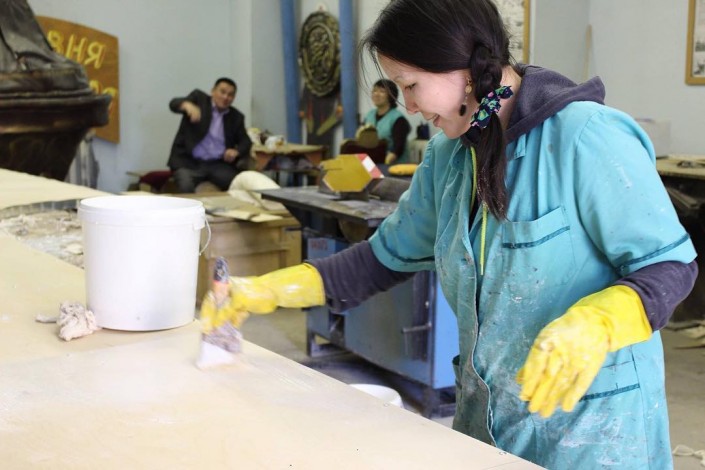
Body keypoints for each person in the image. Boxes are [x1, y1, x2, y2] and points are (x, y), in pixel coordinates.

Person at [198, 0, 698, 467]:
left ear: (464, 68)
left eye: (411, 85)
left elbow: (671, 266)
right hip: (488, 422)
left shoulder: (584, 136)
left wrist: (598, 322)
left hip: (594, 432)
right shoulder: (449, 157)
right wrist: (266, 291)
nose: (409, 106)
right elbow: (381, 259)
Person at [168, 77, 252, 193]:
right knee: (186, 187)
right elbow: (173, 104)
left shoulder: (236, 117)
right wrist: (187, 105)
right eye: (222, 92)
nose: (225, 97)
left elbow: (246, 141)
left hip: (217, 164)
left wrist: (236, 151)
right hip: (189, 163)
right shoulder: (199, 99)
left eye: (230, 95)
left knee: (239, 186)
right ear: (213, 91)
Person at [363, 78, 411, 165]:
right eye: (374, 91)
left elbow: (398, 148)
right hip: (373, 164)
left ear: (391, 95)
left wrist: (383, 165)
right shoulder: (369, 116)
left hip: (394, 166)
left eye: (382, 91)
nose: (376, 94)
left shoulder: (398, 119)